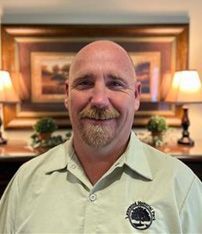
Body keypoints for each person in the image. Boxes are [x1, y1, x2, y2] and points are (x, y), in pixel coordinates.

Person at [0, 40, 201, 233]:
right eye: (85, 83)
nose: (99, 100)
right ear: (67, 94)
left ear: (136, 96)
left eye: (115, 84)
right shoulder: (24, 184)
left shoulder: (181, 187)